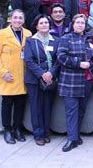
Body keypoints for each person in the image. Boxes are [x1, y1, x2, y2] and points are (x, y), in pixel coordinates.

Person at [0, 9, 32, 144]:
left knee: (20, 104)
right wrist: (3, 73)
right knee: (7, 104)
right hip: (8, 76)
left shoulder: (28, 34)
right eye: (15, 17)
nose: (18, 20)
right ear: (11, 19)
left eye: (20, 18)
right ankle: (7, 130)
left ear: (24, 20)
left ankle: (17, 129)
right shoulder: (2, 34)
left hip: (22, 76)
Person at [57, 14, 93, 152]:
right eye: (77, 22)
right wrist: (79, 63)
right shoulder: (66, 38)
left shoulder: (89, 39)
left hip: (87, 80)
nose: (80, 25)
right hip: (70, 80)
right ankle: (71, 139)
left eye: (82, 23)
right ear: (72, 24)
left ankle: (76, 135)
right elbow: (61, 57)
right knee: (71, 110)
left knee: (81, 110)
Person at [24, 14, 60, 146]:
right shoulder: (30, 41)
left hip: (50, 79)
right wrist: (42, 74)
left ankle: (46, 132)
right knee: (36, 108)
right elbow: (29, 60)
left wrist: (51, 73)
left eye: (46, 22)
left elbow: (58, 60)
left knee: (47, 107)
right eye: (41, 23)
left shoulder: (56, 40)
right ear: (36, 26)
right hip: (35, 80)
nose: (44, 25)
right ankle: (38, 134)